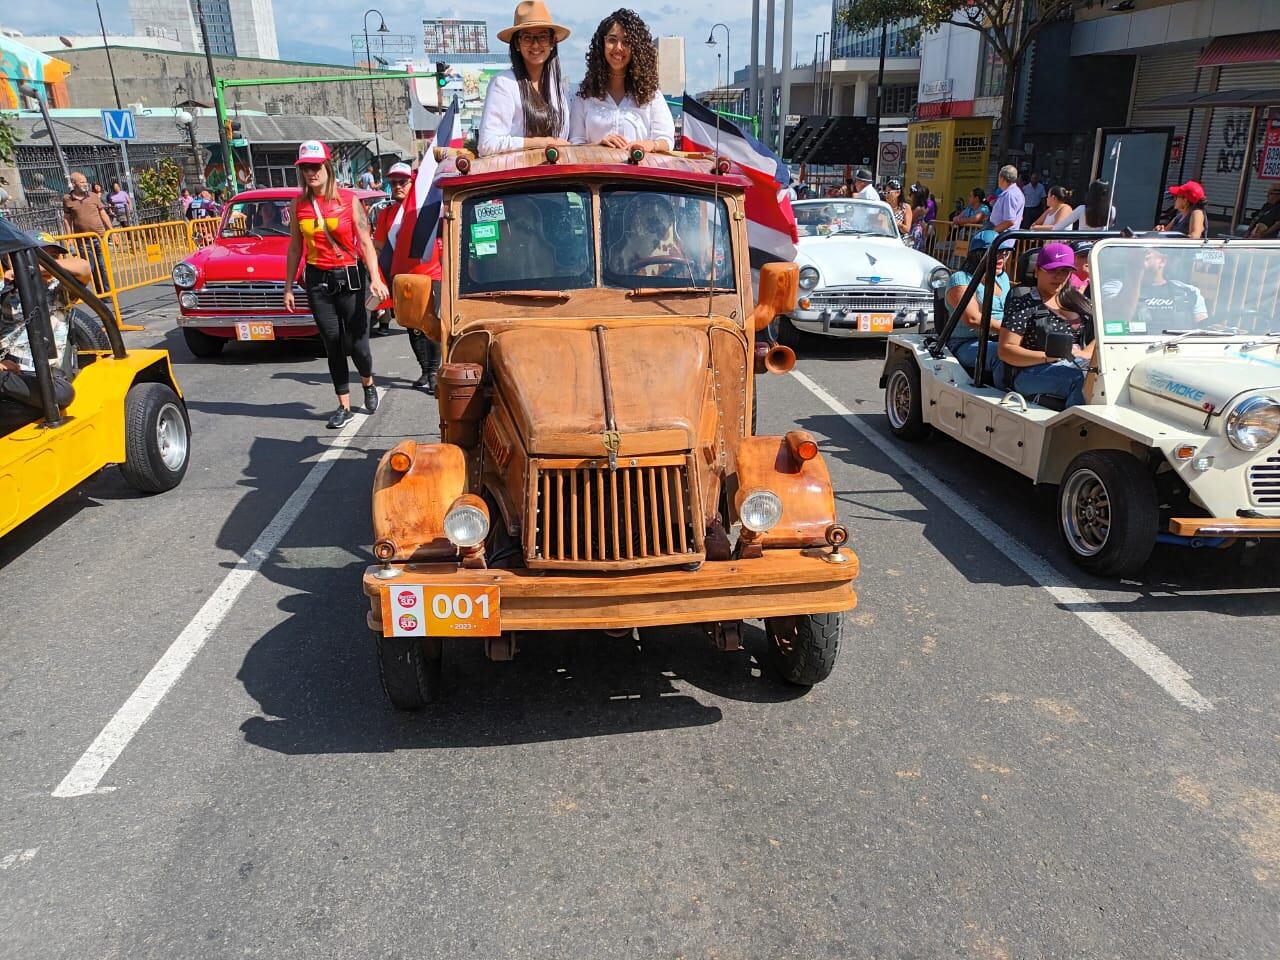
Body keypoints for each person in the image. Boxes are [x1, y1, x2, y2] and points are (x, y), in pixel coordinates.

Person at [283, 140, 389, 429]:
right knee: (332, 343)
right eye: (305, 167)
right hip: (318, 280)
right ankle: (343, 404)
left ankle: (367, 382)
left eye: (315, 166)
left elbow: (366, 242)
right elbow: (295, 248)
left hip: (350, 278)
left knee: (358, 345)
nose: (311, 172)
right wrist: (289, 286)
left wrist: (376, 278)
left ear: (327, 167)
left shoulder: (348, 200)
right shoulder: (299, 205)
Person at [1, 234, 93, 412]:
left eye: (54, 257)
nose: (51, 262)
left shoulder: (59, 288)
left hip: (46, 374)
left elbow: (84, 268)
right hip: (13, 369)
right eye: (43, 255)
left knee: (63, 394)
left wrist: (32, 267)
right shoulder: (4, 290)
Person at [997, 242, 1095, 408]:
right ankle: (1073, 431)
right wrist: (1048, 356)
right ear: (1036, 271)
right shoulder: (1024, 301)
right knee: (1082, 381)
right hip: (1030, 371)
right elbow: (1006, 350)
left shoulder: (1077, 299)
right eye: (1052, 271)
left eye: (1064, 271)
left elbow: (1102, 333)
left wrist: (1086, 353)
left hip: (1076, 363)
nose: (1058, 277)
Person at [372, 162, 442, 392]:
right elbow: (380, 247)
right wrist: (378, 277)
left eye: (403, 182)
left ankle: (434, 371)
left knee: (430, 326)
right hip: (402, 280)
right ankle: (425, 369)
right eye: (393, 183)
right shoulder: (387, 214)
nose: (398, 186)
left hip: (432, 276)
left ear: (413, 183)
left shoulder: (429, 209)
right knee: (412, 327)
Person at [570, 9, 674, 153]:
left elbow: (667, 140)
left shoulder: (651, 94)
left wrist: (648, 145)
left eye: (626, 42)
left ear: (636, 48)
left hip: (638, 173)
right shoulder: (583, 95)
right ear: (602, 44)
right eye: (612, 40)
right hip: (594, 174)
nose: (618, 48)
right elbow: (575, 142)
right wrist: (598, 146)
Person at [479, 2, 572, 156]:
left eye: (542, 37)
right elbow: (487, 144)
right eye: (527, 38)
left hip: (559, 176)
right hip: (521, 177)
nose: (535, 45)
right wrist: (544, 143)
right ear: (516, 43)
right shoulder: (504, 84)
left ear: (552, 42)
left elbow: (572, 139)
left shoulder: (563, 88)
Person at [944, 234, 1014, 374]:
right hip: (965, 342)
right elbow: (973, 319)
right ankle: (1006, 393)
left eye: (1005, 253)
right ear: (979, 255)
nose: (1002, 257)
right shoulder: (960, 278)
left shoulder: (1003, 277)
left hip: (1000, 337)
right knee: (1005, 356)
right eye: (997, 253)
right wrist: (1010, 331)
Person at [1099, 247, 1208, 331]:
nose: (1139, 256)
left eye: (1145, 252)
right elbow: (1116, 319)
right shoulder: (1115, 287)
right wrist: (1136, 271)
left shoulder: (1188, 292)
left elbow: (1203, 329)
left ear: (1163, 261)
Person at [61, 171, 112, 294]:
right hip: (83, 239)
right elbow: (67, 219)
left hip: (99, 237)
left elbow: (103, 213)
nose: (85, 184)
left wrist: (112, 231)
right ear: (74, 183)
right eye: (82, 182)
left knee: (102, 266)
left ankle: (107, 292)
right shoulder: (67, 199)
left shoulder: (93, 196)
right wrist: (69, 237)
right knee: (90, 267)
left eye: (85, 181)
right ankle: (93, 292)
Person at [988, 165, 1025, 233]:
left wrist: (992, 232)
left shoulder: (1010, 194)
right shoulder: (1015, 192)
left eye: (998, 177)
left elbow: (1009, 221)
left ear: (1002, 178)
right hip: (1002, 236)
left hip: (1001, 237)